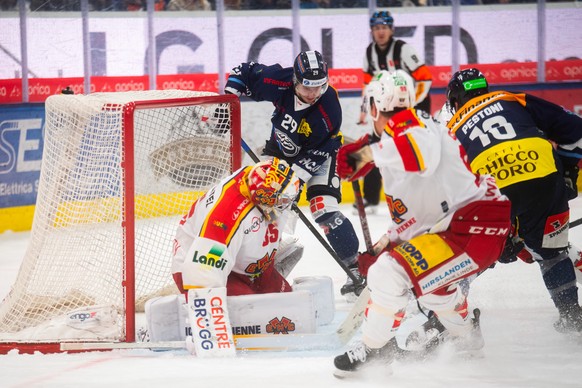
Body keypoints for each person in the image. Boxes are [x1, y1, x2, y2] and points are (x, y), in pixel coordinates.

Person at [332, 70, 512, 377]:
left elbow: (421, 157)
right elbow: (422, 214)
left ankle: (376, 349)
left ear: (375, 106)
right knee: (432, 289)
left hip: (472, 225)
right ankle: (466, 336)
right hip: (467, 227)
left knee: (388, 273)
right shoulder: (402, 137)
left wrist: (366, 155)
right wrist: (386, 243)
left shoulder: (409, 124)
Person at [444, 68, 582, 333]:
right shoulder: (511, 98)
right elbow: (576, 131)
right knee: (553, 255)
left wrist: (497, 236)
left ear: (455, 101)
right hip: (545, 177)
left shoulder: (451, 129)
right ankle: (572, 319)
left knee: (464, 255)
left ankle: (451, 321)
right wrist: (568, 172)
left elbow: (452, 187)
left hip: (496, 191)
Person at [224, 50, 362, 299]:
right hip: (280, 153)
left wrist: (292, 181)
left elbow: (321, 151)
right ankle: (258, 271)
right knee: (263, 211)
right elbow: (242, 73)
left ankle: (356, 266)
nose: (312, 94)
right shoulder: (278, 80)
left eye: (319, 87)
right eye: (306, 87)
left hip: (321, 155)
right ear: (294, 80)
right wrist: (227, 103)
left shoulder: (329, 108)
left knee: (323, 209)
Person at [171, 157, 303, 297]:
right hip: (199, 267)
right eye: (282, 200)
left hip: (235, 261)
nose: (286, 204)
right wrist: (208, 308)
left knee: (285, 304)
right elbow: (204, 268)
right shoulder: (226, 213)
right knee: (250, 311)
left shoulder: (255, 180)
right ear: (265, 198)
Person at [355, 10, 433, 215]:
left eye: (384, 27)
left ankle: (422, 195)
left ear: (391, 30)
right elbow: (367, 84)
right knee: (375, 145)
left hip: (415, 104)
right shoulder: (369, 52)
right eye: (376, 28)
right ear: (372, 31)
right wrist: (364, 110)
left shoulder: (403, 49)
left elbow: (425, 79)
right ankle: (370, 199)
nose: (380, 32)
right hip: (384, 108)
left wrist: (412, 104)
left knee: (415, 146)